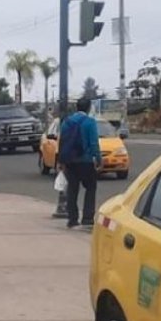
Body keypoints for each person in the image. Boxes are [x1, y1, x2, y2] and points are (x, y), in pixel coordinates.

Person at [59, 97, 102, 228]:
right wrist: (98, 159)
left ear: (76, 107)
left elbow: (62, 141)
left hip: (70, 161)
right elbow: (94, 143)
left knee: (72, 189)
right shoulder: (90, 122)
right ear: (88, 108)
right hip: (86, 161)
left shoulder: (66, 122)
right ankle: (87, 218)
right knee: (90, 187)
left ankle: (72, 219)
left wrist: (61, 160)